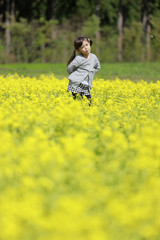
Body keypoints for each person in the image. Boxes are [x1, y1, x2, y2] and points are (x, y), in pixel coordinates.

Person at [67, 36, 100, 105]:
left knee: (89, 102)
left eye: (87, 45)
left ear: (89, 44)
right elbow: (69, 68)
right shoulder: (78, 58)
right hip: (76, 84)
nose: (86, 48)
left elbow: (97, 67)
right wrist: (75, 75)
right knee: (77, 103)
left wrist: (91, 72)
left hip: (86, 85)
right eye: (82, 47)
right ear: (78, 50)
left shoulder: (94, 57)